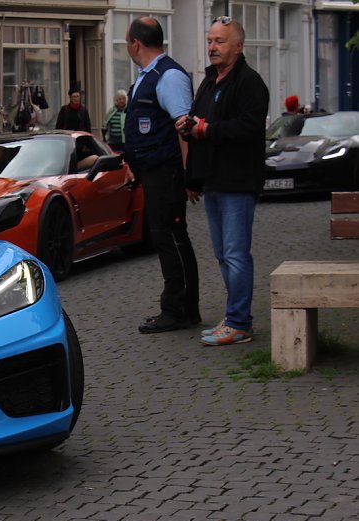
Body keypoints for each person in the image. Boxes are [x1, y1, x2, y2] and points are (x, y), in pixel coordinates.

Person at [177, 16, 269, 346]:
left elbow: (249, 127)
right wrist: (189, 127)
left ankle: (240, 322)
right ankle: (234, 318)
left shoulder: (250, 82)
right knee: (222, 254)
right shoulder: (209, 81)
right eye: (210, 40)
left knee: (235, 253)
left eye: (220, 41)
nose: (212, 47)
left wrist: (207, 130)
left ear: (238, 46)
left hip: (238, 181)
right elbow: (199, 124)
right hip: (213, 180)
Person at [124, 16, 200, 334]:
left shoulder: (168, 76)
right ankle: (180, 307)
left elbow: (185, 128)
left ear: (136, 43)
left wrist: (189, 175)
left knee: (171, 237)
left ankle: (179, 309)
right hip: (153, 171)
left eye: (127, 42)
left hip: (167, 171)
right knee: (165, 237)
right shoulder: (148, 76)